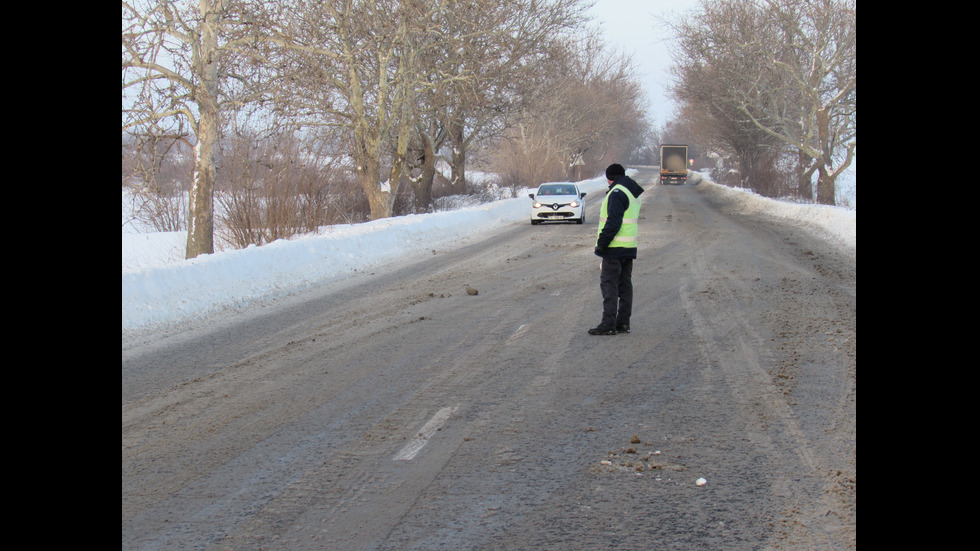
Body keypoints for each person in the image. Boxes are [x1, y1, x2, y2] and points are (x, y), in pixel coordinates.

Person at [589, 163, 644, 335]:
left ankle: (608, 324)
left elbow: (614, 221)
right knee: (625, 285)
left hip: (614, 247)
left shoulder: (617, 193)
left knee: (609, 284)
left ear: (609, 178)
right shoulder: (631, 192)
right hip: (629, 246)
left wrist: (602, 244)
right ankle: (623, 323)